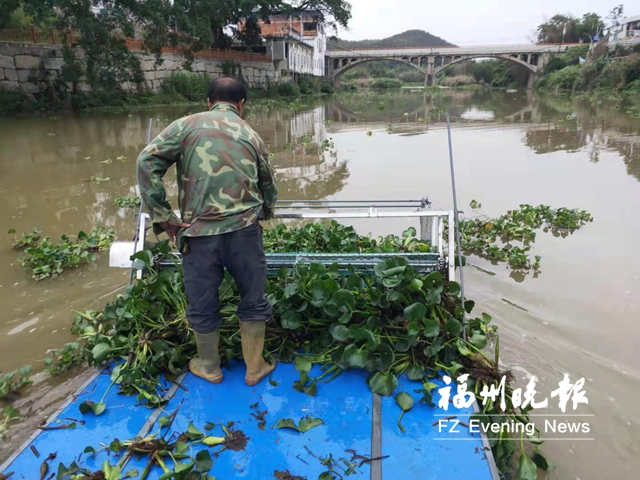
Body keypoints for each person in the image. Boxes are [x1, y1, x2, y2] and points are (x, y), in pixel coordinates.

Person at [136, 77, 278, 386]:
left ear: (208, 101)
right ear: (241, 105)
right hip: (243, 231)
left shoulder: (185, 126)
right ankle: (255, 368)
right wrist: (263, 214)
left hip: (197, 233)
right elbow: (268, 182)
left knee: (202, 300)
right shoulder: (250, 133)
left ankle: (209, 367)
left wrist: (163, 217)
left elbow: (146, 161)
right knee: (252, 299)